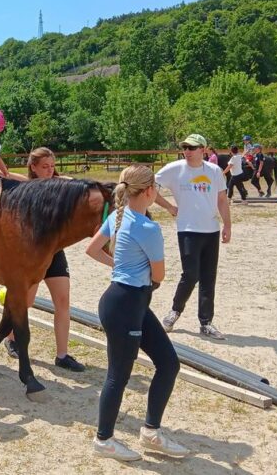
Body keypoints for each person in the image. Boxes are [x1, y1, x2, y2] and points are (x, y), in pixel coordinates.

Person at [85, 165, 188, 462]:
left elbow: (92, 249)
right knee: (118, 375)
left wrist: (120, 267)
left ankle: (151, 432)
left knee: (168, 363)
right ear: (149, 192)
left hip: (129, 302)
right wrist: (127, 271)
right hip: (125, 305)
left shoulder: (119, 216)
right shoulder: (147, 228)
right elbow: (160, 275)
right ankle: (103, 440)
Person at [2, 147, 85, 372]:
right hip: (33, 255)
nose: (50, 171)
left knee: (63, 301)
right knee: (25, 302)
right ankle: (10, 338)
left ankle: (62, 354)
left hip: (56, 253)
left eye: (52, 166)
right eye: (45, 167)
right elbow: (7, 175)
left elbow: (77, 184)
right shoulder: (26, 189)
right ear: (33, 167)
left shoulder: (61, 188)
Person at [155, 134, 231, 340]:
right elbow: (150, 187)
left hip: (211, 230)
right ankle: (174, 311)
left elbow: (222, 199)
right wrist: (169, 206)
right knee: (190, 274)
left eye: (192, 147)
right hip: (188, 229)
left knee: (208, 276)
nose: (187, 151)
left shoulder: (214, 171)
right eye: (185, 147)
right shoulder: (175, 169)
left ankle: (206, 322)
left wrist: (227, 225)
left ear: (203, 150)